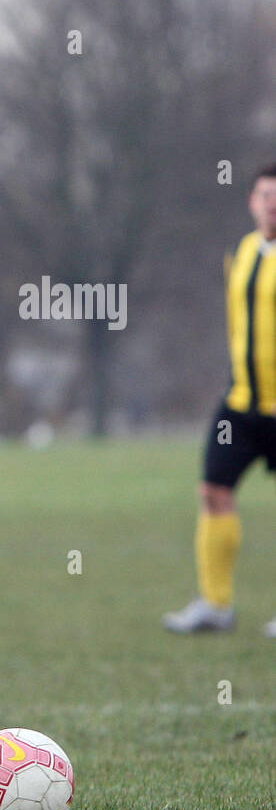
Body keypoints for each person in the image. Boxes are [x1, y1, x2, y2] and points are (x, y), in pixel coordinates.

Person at [164, 164, 276, 636]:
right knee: (213, 490)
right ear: (251, 201)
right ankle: (216, 604)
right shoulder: (242, 251)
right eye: (265, 194)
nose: (272, 203)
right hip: (242, 403)